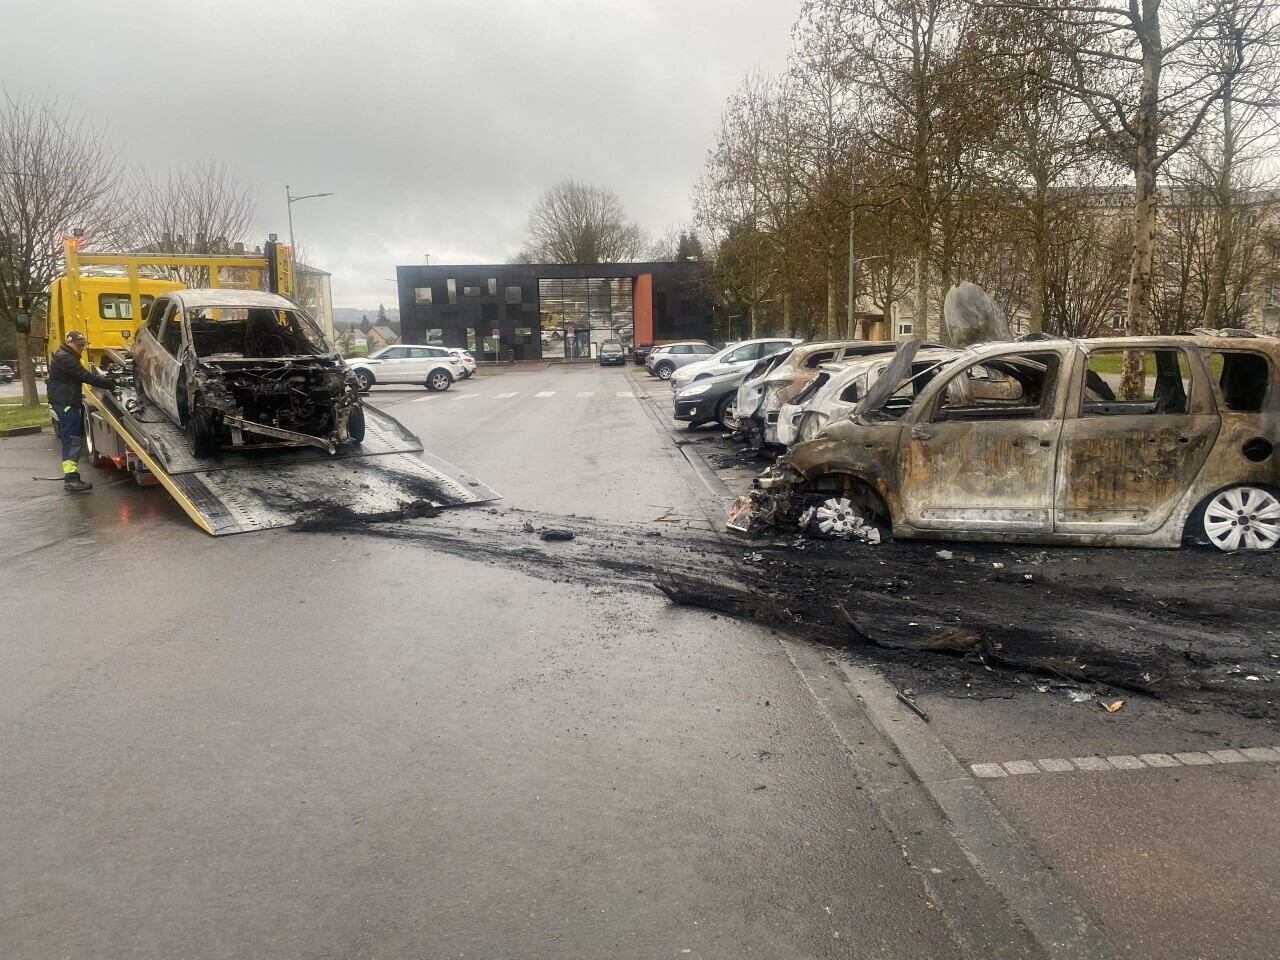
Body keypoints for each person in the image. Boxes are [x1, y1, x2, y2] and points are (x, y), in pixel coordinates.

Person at [47, 330, 116, 493]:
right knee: (72, 438)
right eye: (78, 345)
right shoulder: (64, 357)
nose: (81, 348)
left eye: (82, 345)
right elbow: (83, 375)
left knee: (72, 437)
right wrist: (109, 384)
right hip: (65, 402)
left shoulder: (66, 355)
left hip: (66, 401)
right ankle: (71, 479)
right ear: (69, 342)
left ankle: (71, 476)